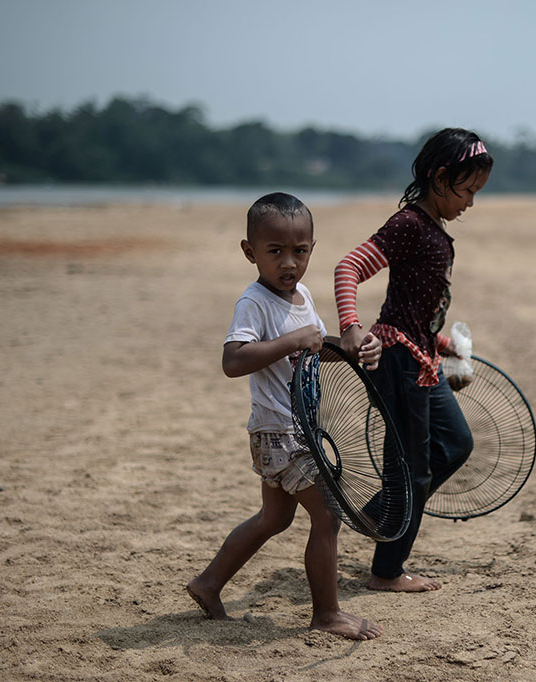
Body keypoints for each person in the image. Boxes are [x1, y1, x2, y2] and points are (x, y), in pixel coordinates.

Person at [187, 192, 383, 640]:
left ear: (313, 248)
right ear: (249, 251)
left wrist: (349, 348)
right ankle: (327, 614)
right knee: (329, 514)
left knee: (273, 519)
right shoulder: (254, 303)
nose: (289, 263)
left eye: (300, 251)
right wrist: (295, 339)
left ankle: (208, 583)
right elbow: (233, 361)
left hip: (296, 429)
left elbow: (312, 349)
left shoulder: (302, 296)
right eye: (275, 252)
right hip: (279, 430)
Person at [335, 128, 493, 592]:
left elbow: (413, 310)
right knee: (412, 468)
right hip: (398, 361)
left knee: (457, 444)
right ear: (439, 179)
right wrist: (350, 328)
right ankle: (386, 572)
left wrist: (444, 345)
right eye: (466, 191)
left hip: (421, 355)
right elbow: (349, 268)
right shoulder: (408, 224)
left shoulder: (434, 232)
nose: (469, 203)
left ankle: (381, 509)